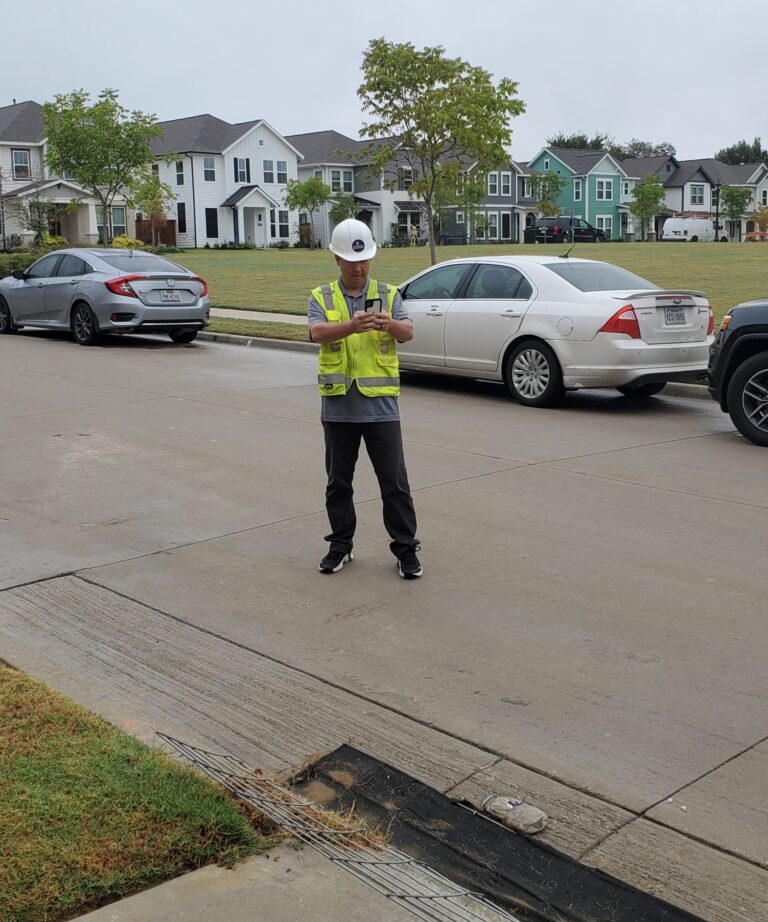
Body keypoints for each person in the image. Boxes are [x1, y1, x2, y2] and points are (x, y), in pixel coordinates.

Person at [308, 219, 422, 579]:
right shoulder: (322, 296)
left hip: (381, 410)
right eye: (351, 262)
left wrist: (388, 324)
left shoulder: (389, 294)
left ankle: (406, 550)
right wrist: (351, 326)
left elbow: (408, 333)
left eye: (364, 261)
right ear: (337, 260)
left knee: (395, 484)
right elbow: (316, 332)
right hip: (339, 408)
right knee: (338, 484)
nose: (359, 268)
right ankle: (340, 546)